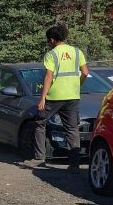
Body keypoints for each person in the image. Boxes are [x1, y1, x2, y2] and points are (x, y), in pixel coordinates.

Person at [26, 24, 89, 173]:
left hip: (54, 96)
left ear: (53, 40)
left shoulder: (51, 54)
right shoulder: (77, 51)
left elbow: (49, 76)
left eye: (48, 41)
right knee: (72, 129)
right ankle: (74, 165)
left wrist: (42, 98)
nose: (49, 43)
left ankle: (39, 159)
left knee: (40, 122)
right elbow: (85, 72)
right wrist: (76, 85)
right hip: (73, 96)